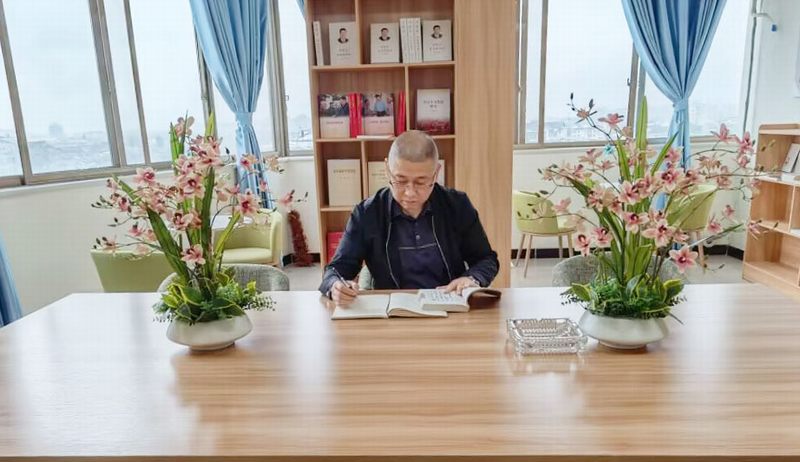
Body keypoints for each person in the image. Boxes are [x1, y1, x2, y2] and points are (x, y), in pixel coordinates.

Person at [319, 130, 499, 306]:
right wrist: (336, 286)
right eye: (401, 181)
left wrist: (471, 279)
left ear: (436, 172)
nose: (410, 193)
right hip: (392, 312)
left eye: (421, 182)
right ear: (387, 170)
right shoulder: (368, 213)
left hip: (448, 306)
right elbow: (336, 269)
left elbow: (487, 259)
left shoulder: (457, 206)